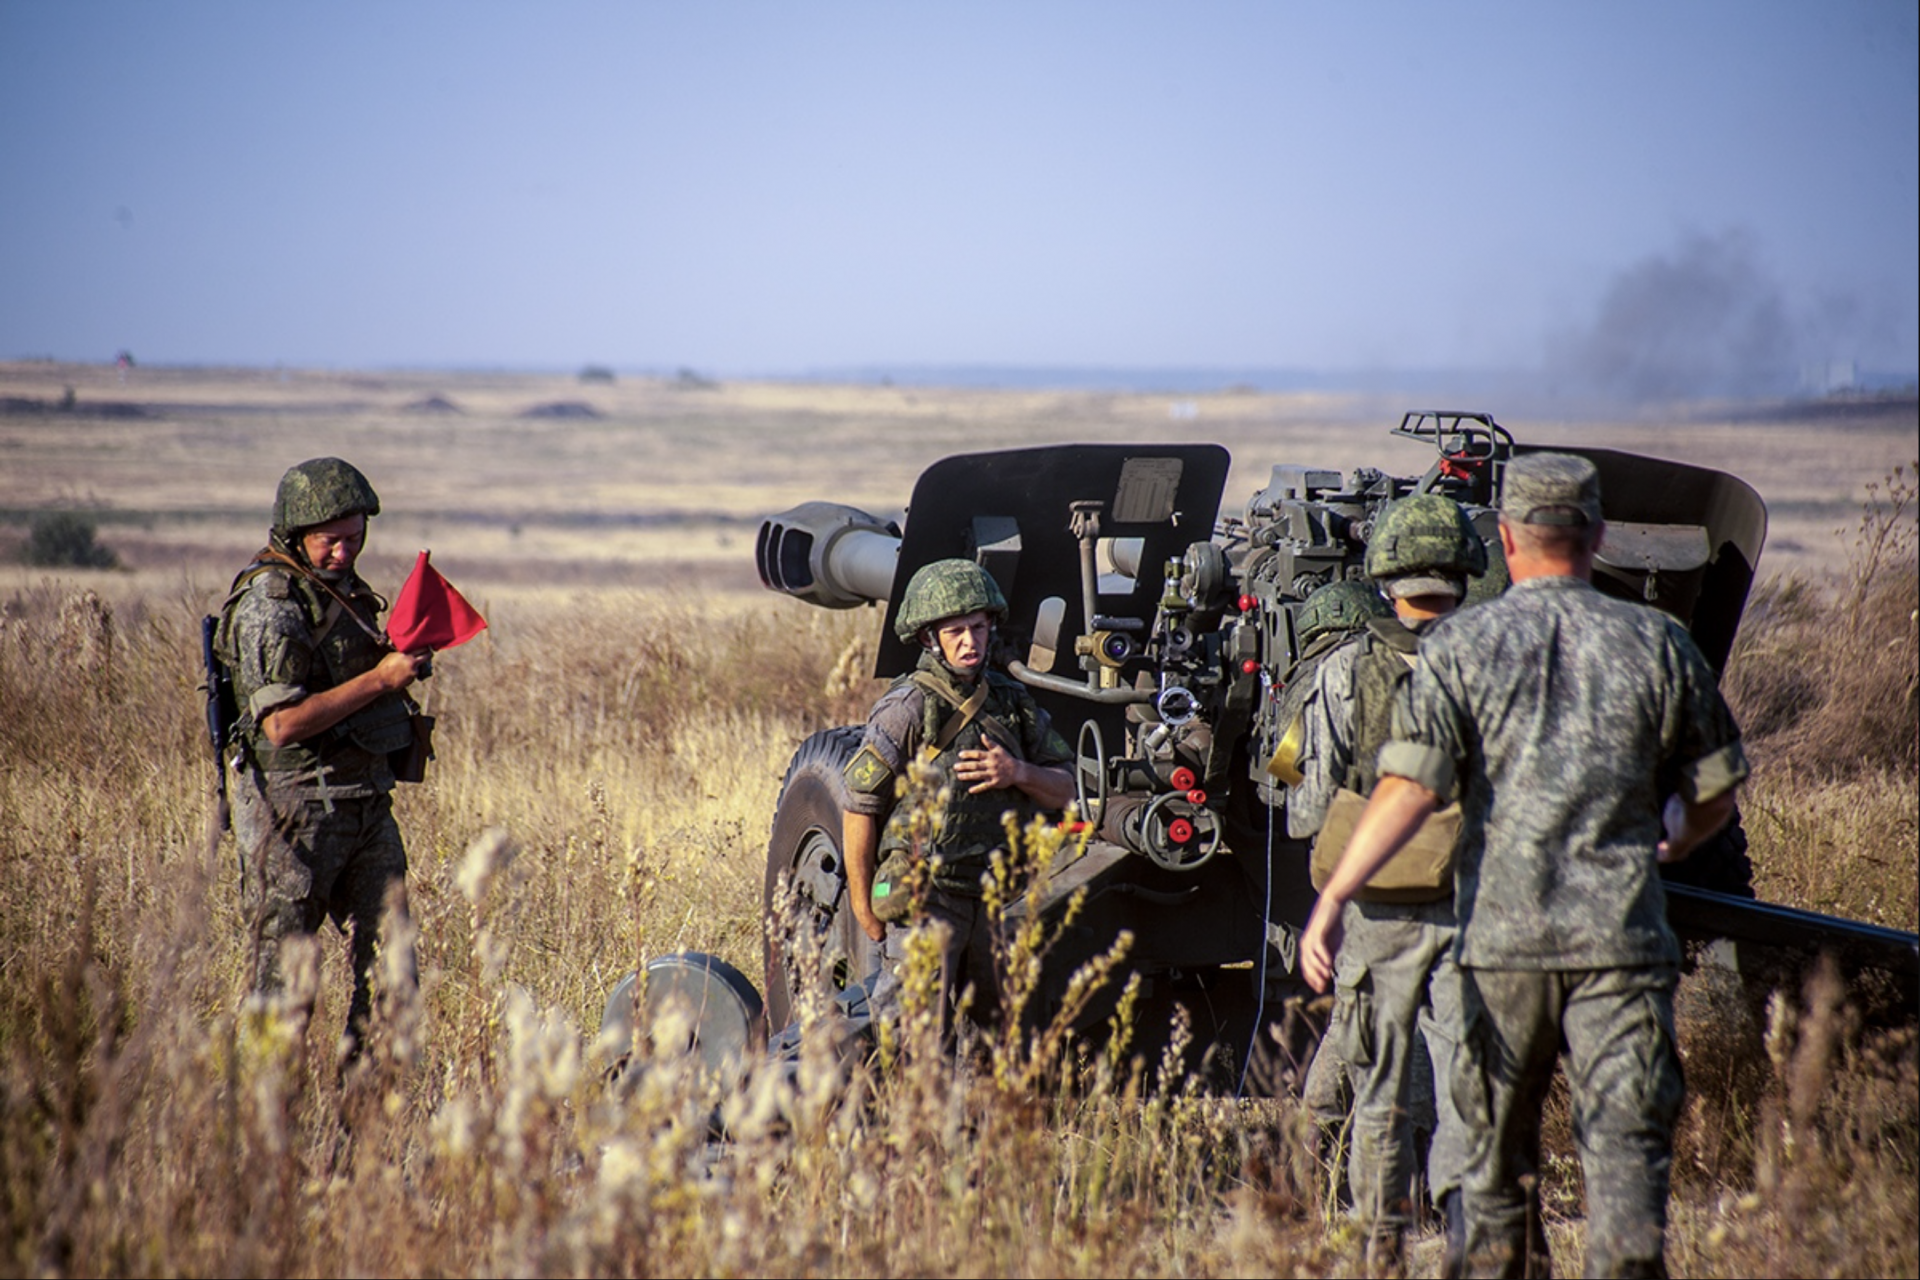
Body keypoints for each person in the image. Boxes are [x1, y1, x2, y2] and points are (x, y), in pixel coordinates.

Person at [1301, 454, 1749, 1278]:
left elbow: (1406, 791)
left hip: (1499, 950)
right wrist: (1677, 839)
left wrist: (1335, 893)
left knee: (1494, 1169)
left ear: (1506, 540)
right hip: (1620, 944)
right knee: (1623, 1159)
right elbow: (1715, 790)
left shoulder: (1461, 649)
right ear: (1599, 536)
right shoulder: (1660, 643)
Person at [1287, 496, 1487, 1277]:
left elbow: (1305, 807)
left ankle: (1378, 1248)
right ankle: (1469, 1236)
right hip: (1474, 903)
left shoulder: (1338, 675)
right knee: (1468, 1079)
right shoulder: (1492, 662)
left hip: (1377, 904)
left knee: (1377, 1088)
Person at [214, 457, 432, 1064]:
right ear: (294, 534)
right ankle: (263, 1133)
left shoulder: (345, 592)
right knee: (283, 995)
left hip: (364, 808)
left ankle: (367, 1126)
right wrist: (382, 680)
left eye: (354, 538)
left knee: (395, 975)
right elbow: (281, 724)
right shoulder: (270, 604)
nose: (343, 552)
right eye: (329, 540)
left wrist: (398, 663)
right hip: (293, 822)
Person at [841, 558, 1076, 1041]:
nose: (970, 642)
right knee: (912, 1041)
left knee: (994, 1042)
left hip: (995, 899)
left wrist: (1017, 772)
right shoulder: (908, 707)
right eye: (955, 632)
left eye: (978, 627)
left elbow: (1066, 787)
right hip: (928, 899)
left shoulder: (1012, 703)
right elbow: (859, 805)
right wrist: (863, 907)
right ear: (930, 639)